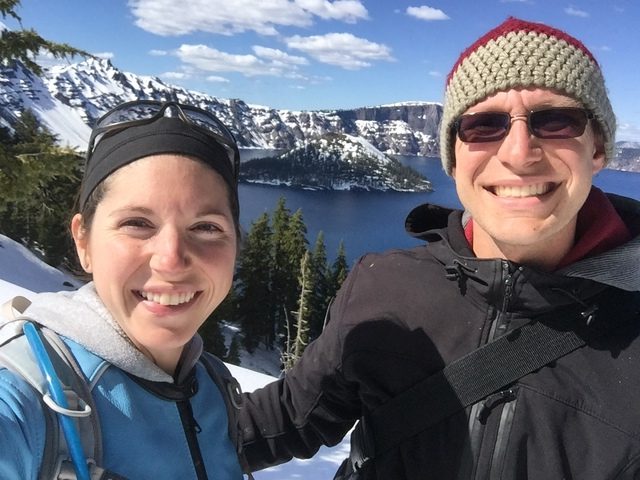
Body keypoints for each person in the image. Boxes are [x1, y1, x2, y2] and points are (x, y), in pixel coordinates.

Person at [238, 17, 640, 479]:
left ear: (598, 148)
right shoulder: (384, 286)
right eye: (484, 125)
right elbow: (288, 418)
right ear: (453, 157)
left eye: (555, 120)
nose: (518, 152)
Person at [0, 100, 251, 479]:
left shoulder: (212, 386)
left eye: (206, 227)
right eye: (137, 222)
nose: (170, 259)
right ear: (83, 241)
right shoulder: (29, 395)